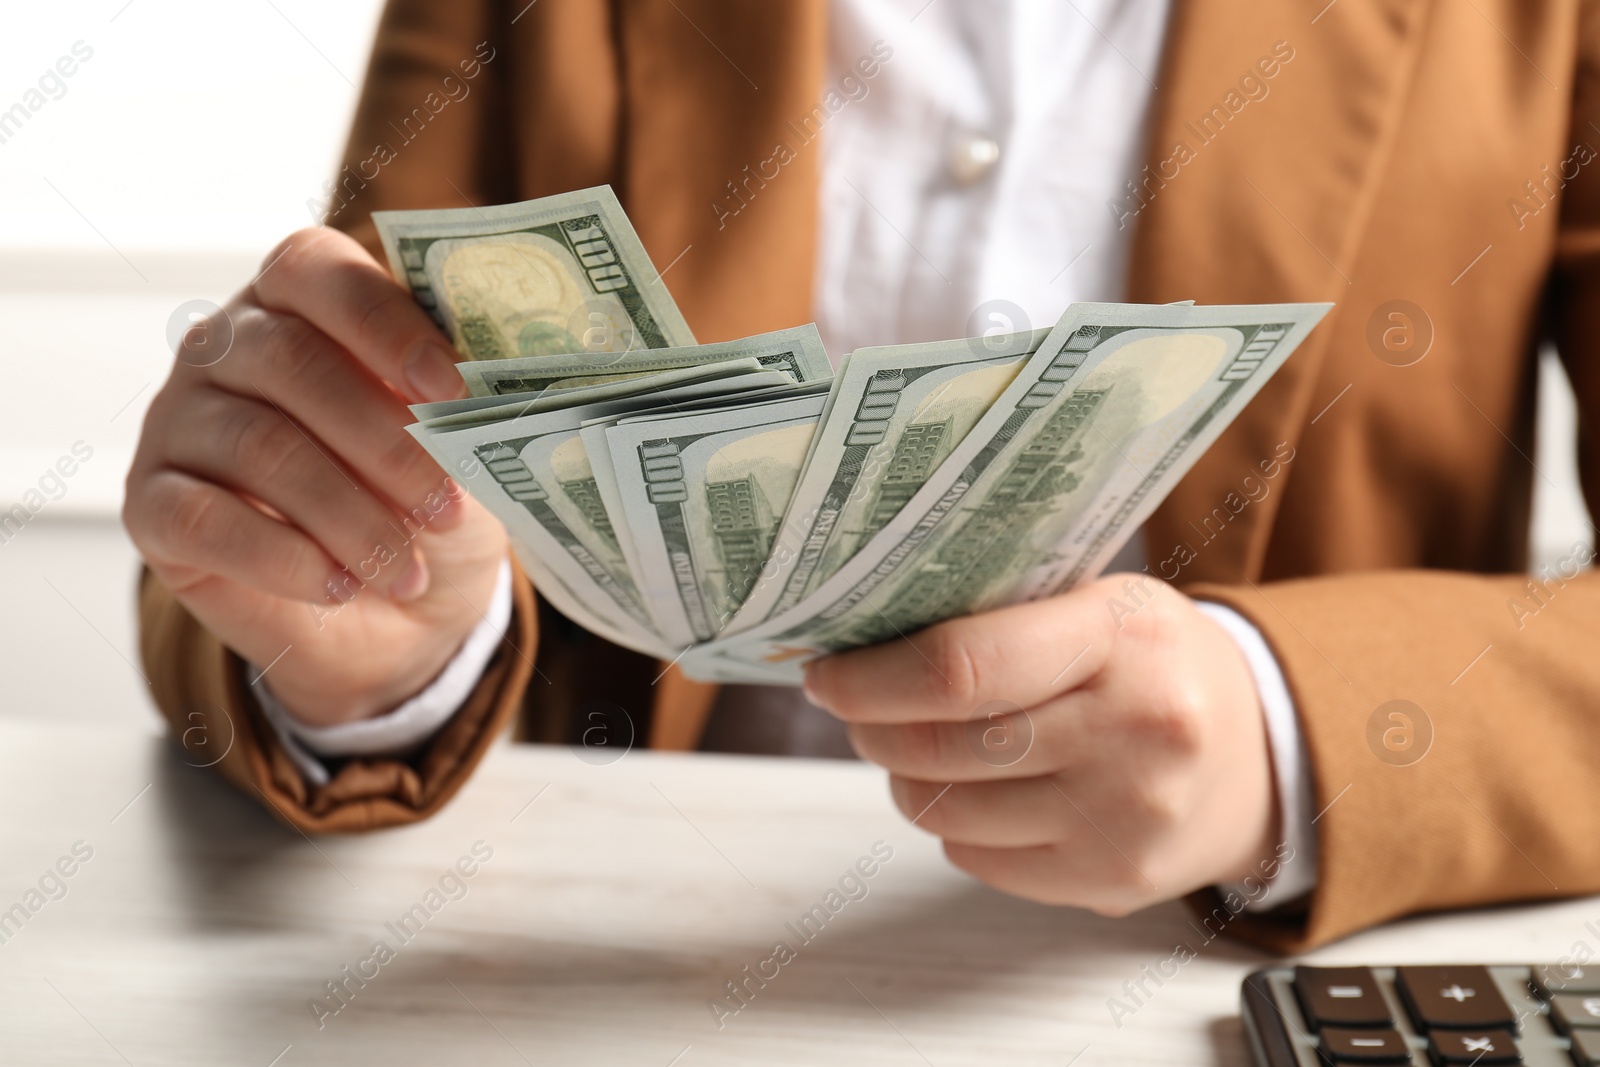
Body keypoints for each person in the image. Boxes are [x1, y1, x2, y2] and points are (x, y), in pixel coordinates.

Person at [125, 0, 1600, 952]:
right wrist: (374, 643)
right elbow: (325, 430)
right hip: (611, 974)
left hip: (1195, 981)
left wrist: (1291, 728)